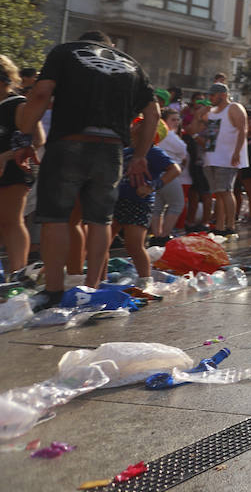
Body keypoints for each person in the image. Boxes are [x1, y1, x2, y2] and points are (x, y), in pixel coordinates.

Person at [18, 31, 158, 307]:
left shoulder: (65, 52)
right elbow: (153, 113)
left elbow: (41, 93)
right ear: (111, 46)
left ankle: (55, 289)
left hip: (69, 142)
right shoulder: (132, 64)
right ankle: (91, 288)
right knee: (100, 220)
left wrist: (24, 137)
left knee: (56, 217)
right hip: (112, 148)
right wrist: (140, 155)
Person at [112, 121, 180, 278]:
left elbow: (175, 169)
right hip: (117, 201)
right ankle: (100, 280)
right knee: (102, 245)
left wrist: (152, 186)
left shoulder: (153, 152)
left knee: (134, 245)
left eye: (140, 124)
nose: (133, 126)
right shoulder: (126, 151)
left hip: (139, 203)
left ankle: (145, 280)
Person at [0, 55, 42, 280]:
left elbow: (37, 139)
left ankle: (17, 274)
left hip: (14, 170)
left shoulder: (17, 104)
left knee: (12, 221)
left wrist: (5, 156)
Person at [197, 82, 247, 237]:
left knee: (226, 191)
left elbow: (242, 130)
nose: (209, 98)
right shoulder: (211, 110)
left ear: (223, 95)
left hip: (226, 157)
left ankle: (230, 225)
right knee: (218, 193)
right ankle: (219, 225)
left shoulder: (234, 107)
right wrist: (200, 114)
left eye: (212, 95)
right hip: (211, 157)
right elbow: (199, 127)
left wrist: (237, 152)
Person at [150, 106, 188, 246]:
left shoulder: (157, 134)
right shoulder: (169, 135)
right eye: (173, 119)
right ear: (164, 121)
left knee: (158, 206)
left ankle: (157, 235)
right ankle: (164, 235)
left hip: (156, 172)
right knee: (177, 204)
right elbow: (183, 150)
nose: (176, 122)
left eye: (178, 119)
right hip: (170, 173)